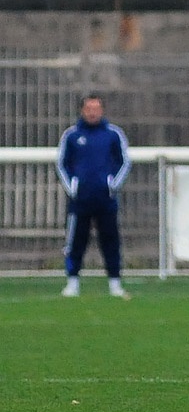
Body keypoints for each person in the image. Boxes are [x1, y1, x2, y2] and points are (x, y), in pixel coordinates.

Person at [56, 94, 132, 299]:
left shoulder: (113, 134)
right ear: (82, 110)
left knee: (111, 241)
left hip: (106, 201)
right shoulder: (71, 135)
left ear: (102, 110)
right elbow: (62, 164)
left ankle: (115, 284)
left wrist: (112, 185)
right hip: (79, 200)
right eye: (89, 108)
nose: (92, 112)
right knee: (75, 242)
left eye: (96, 108)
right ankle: (72, 282)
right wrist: (73, 187)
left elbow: (124, 162)